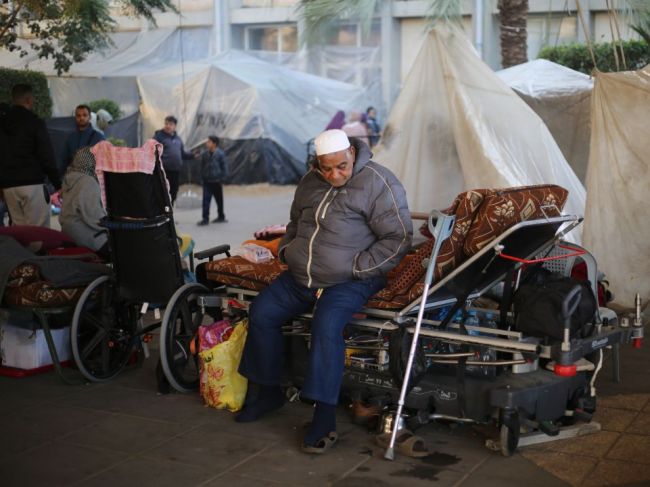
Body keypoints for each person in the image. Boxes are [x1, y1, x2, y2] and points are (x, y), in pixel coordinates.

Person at [236, 129, 412, 453]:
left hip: (351, 279)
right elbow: (294, 222)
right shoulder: (310, 181)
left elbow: (399, 237)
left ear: (353, 155)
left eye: (341, 166)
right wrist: (288, 250)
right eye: (326, 168)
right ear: (317, 164)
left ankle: (324, 417)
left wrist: (358, 268)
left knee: (326, 325)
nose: (334, 175)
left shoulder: (378, 182)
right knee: (261, 312)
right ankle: (268, 392)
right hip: (302, 275)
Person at [0, 84, 61, 228]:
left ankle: (20, 252)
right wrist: (58, 183)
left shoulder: (1, 123)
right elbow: (47, 155)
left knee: (19, 232)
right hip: (31, 183)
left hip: (8, 187)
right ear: (28, 100)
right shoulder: (35, 122)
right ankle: (37, 252)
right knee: (39, 233)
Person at [59, 147, 110, 260]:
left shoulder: (70, 178)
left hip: (69, 233)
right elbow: (94, 218)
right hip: (86, 236)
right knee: (123, 250)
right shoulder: (87, 182)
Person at [153, 115, 196, 205]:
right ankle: (163, 215)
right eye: (166, 123)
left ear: (175, 126)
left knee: (174, 192)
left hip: (175, 171)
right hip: (163, 171)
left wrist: (192, 155)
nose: (168, 126)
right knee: (163, 192)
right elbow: (153, 151)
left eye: (170, 124)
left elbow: (182, 154)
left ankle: (169, 214)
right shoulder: (159, 137)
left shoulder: (178, 139)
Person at [61, 104, 106, 175]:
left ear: (90, 117)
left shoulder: (99, 137)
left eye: (85, 115)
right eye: (78, 115)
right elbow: (64, 161)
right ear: (75, 117)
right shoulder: (70, 138)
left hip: (93, 180)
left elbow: (104, 162)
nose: (81, 118)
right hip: (73, 180)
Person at [197, 136, 228, 226]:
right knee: (206, 201)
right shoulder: (205, 154)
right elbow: (202, 167)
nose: (207, 144)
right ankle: (205, 219)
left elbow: (224, 167)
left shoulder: (220, 154)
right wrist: (202, 178)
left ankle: (221, 216)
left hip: (217, 181)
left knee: (219, 200)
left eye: (209, 142)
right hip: (207, 182)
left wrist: (222, 179)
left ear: (214, 144)